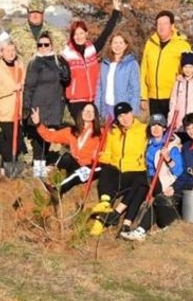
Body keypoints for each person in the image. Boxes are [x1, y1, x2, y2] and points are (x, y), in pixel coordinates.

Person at [90, 102, 149, 239]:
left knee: (136, 181)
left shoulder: (143, 129)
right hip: (117, 168)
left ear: (132, 113)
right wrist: (99, 157)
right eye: (120, 116)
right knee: (107, 170)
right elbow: (108, 153)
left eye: (126, 114)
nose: (124, 118)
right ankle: (105, 203)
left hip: (134, 170)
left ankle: (102, 221)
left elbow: (161, 136)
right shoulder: (113, 131)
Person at [60, 0, 122, 119]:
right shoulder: (66, 54)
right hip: (76, 101)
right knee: (82, 131)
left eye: (81, 33)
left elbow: (106, 33)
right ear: (72, 36)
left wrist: (115, 12)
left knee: (94, 132)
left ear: (86, 34)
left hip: (94, 98)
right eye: (76, 34)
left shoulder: (92, 50)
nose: (79, 37)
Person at [23, 31, 71, 178]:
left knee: (49, 134)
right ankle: (38, 166)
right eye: (40, 44)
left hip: (54, 104)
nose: (43, 47)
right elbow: (29, 86)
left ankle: (43, 163)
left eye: (46, 44)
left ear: (51, 45)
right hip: (39, 104)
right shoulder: (34, 62)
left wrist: (64, 67)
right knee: (38, 136)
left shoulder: (58, 60)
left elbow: (66, 79)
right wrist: (26, 107)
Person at [29, 103, 102, 196]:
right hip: (76, 164)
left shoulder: (101, 133)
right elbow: (50, 136)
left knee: (78, 173)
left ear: (95, 115)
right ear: (81, 113)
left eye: (91, 111)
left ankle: (56, 190)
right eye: (86, 111)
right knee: (66, 157)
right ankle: (46, 176)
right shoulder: (71, 131)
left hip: (90, 167)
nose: (88, 113)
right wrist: (38, 124)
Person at [135, 114, 184, 238]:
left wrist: (168, 158)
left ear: (164, 128)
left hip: (162, 180)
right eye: (153, 125)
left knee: (147, 188)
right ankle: (131, 223)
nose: (155, 128)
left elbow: (179, 171)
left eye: (159, 125)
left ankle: (141, 229)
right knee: (136, 186)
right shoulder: (147, 144)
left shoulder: (171, 146)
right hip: (148, 177)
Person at [140, 10, 192, 117]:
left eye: (165, 24)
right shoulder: (150, 43)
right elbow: (144, 70)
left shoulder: (182, 45)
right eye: (159, 24)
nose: (161, 27)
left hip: (173, 96)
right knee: (156, 129)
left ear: (172, 26)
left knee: (172, 129)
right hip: (154, 97)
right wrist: (143, 96)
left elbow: (188, 72)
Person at [0, 40, 25, 173]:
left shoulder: (19, 66)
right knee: (12, 139)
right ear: (1, 52)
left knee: (14, 139)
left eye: (13, 50)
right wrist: (12, 88)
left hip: (17, 110)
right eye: (7, 50)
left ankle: (4, 166)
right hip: (4, 111)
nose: (11, 53)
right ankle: (8, 167)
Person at [96, 32, 140, 119]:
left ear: (126, 45)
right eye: (115, 43)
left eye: (121, 43)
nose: (118, 46)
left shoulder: (131, 64)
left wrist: (133, 111)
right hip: (107, 107)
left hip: (123, 108)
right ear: (110, 45)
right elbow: (99, 88)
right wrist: (97, 108)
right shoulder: (105, 64)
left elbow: (135, 89)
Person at [168, 52, 193, 136]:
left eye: (190, 67)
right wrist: (170, 122)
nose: (188, 70)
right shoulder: (178, 81)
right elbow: (173, 102)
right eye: (185, 67)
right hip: (179, 124)